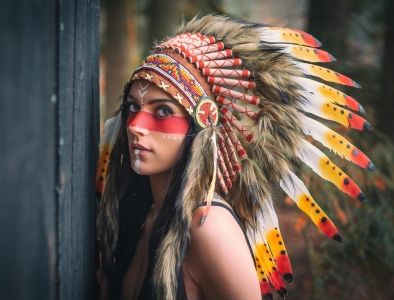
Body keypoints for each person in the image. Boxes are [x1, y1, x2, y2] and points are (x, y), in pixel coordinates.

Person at [96, 14, 374, 300]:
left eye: (163, 111)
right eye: (132, 107)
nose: (135, 125)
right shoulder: (136, 209)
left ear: (204, 126)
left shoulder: (209, 228)